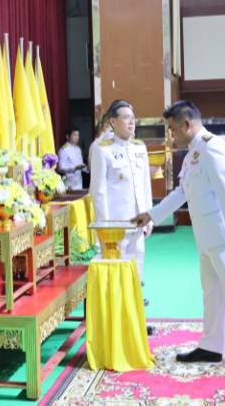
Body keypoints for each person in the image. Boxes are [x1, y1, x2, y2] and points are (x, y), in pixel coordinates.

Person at [132, 100, 225, 370]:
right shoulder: (193, 153)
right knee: (212, 292)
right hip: (208, 236)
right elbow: (182, 192)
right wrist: (152, 214)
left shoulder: (213, 148)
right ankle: (212, 346)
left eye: (172, 129)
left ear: (186, 124)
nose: (171, 136)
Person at [90, 100, 153, 314]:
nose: (131, 122)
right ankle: (117, 315)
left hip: (138, 221)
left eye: (133, 118)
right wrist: (105, 226)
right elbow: (98, 191)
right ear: (113, 122)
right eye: (126, 118)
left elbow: (145, 185)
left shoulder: (139, 148)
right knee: (116, 273)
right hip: (115, 225)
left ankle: (134, 313)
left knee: (137, 267)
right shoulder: (102, 150)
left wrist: (150, 216)